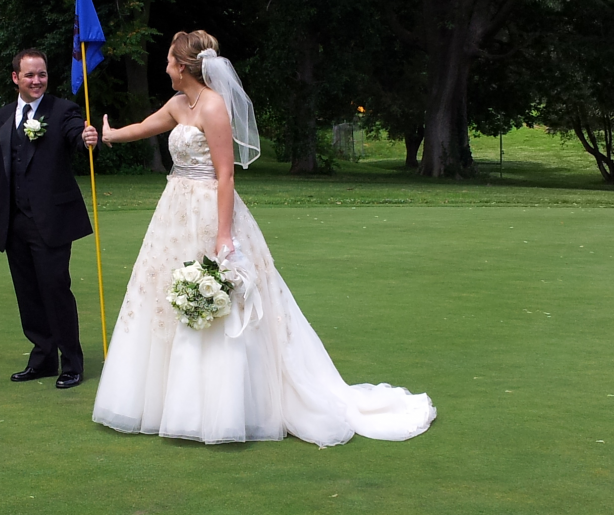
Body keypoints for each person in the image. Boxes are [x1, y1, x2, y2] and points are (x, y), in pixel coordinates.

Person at [91, 31, 435, 445]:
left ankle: (223, 408)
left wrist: (222, 236)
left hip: (208, 211)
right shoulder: (179, 104)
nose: (164, 67)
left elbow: (226, 174)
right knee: (163, 297)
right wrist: (108, 135)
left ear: (182, 67)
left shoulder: (214, 107)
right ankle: (167, 402)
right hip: (173, 212)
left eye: (168, 61)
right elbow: (147, 127)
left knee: (220, 301)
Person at [0, 49, 99, 390]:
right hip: (13, 221)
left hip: (51, 220)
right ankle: (43, 358)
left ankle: (71, 363)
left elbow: (77, 132)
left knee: (55, 290)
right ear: (15, 77)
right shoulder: (0, 118)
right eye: (30, 75)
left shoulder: (62, 110)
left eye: (42, 74)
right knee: (28, 293)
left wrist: (87, 138)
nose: (37, 80)